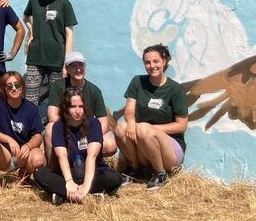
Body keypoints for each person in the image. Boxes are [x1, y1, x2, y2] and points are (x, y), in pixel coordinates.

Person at [114, 44, 188, 190]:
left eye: (156, 61)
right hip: (143, 142)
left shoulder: (176, 89)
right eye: (147, 62)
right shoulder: (138, 82)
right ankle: (134, 170)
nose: (151, 66)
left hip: (170, 150)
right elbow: (129, 110)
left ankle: (160, 173)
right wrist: (130, 123)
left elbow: (181, 125)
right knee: (120, 128)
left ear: (164, 61)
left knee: (142, 128)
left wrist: (151, 129)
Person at [34, 88, 122, 205]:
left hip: (92, 173)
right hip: (67, 174)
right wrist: (69, 181)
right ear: (65, 108)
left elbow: (92, 156)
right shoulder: (59, 126)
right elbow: (62, 156)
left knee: (115, 178)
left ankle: (63, 194)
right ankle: (84, 193)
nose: (77, 111)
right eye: (73, 106)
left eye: (80, 106)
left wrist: (86, 185)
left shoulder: (94, 124)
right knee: (40, 174)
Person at [0, 72, 45, 198]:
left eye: (17, 85)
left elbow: (38, 136)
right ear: (4, 88)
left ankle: (24, 174)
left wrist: (28, 146)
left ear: (22, 87)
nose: (13, 88)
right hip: (3, 154)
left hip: (22, 155)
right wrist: (8, 139)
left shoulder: (31, 108)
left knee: (39, 159)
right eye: (9, 86)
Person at [44, 51, 116, 162]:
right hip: (65, 131)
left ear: (85, 67)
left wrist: (87, 138)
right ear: (66, 69)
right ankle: (52, 169)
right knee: (50, 128)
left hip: (86, 133)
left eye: (81, 65)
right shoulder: (58, 86)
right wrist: (71, 134)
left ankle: (90, 167)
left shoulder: (94, 91)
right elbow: (52, 116)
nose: (78, 69)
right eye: (73, 66)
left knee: (110, 144)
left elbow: (103, 122)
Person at [22, 0, 77, 106]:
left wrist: (67, 62)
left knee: (57, 100)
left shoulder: (64, 3)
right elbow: (25, 17)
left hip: (57, 59)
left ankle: (53, 127)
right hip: (35, 57)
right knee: (30, 98)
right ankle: (32, 127)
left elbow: (69, 34)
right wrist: (31, 31)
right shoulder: (34, 1)